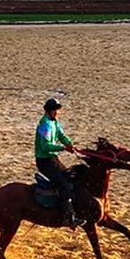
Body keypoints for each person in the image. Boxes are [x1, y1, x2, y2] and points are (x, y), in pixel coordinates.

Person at [36, 97, 83, 228]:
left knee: (70, 178)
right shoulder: (44, 125)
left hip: (53, 159)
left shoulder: (55, 122)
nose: (58, 112)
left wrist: (70, 144)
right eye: (56, 110)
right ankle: (68, 217)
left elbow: (62, 136)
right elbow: (46, 146)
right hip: (44, 161)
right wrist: (63, 148)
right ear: (49, 111)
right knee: (64, 184)